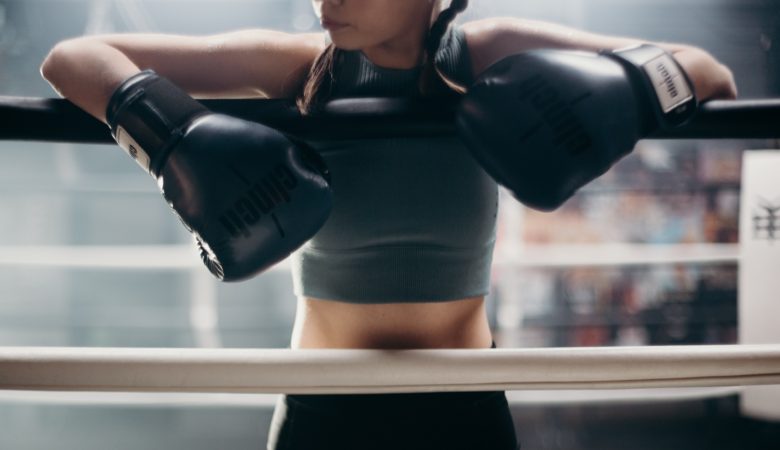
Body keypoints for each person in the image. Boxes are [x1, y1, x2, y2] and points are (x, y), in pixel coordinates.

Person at [39, 0, 738, 449]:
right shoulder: (300, 67)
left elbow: (707, 72)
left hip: (461, 399)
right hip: (325, 400)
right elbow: (69, 60)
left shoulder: (484, 53)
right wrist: (178, 134)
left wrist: (627, 94)